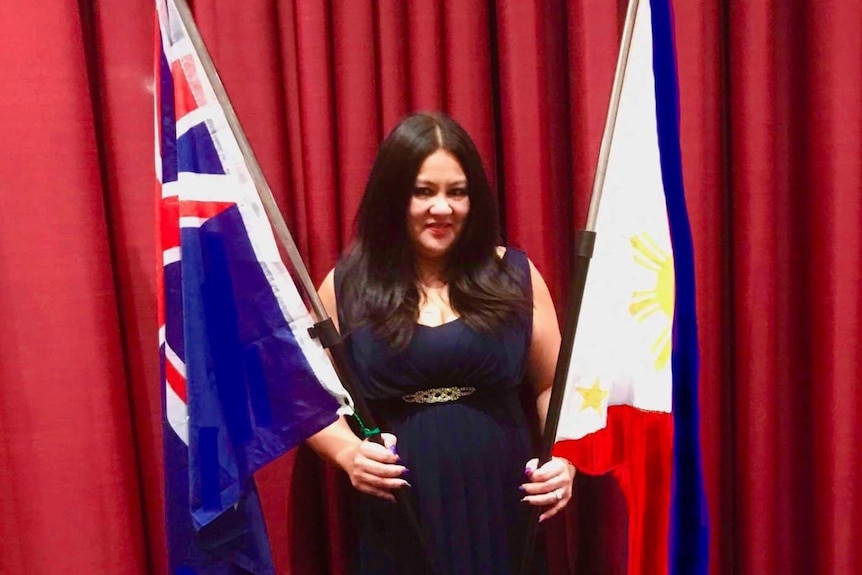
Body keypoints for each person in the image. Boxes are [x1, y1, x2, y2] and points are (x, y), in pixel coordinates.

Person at [306, 112, 574, 574]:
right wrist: (348, 453)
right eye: (423, 191)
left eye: (457, 192)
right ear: (394, 196)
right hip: (401, 507)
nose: (442, 208)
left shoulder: (515, 275)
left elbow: (555, 384)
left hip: (505, 499)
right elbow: (308, 399)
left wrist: (566, 459)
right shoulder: (345, 286)